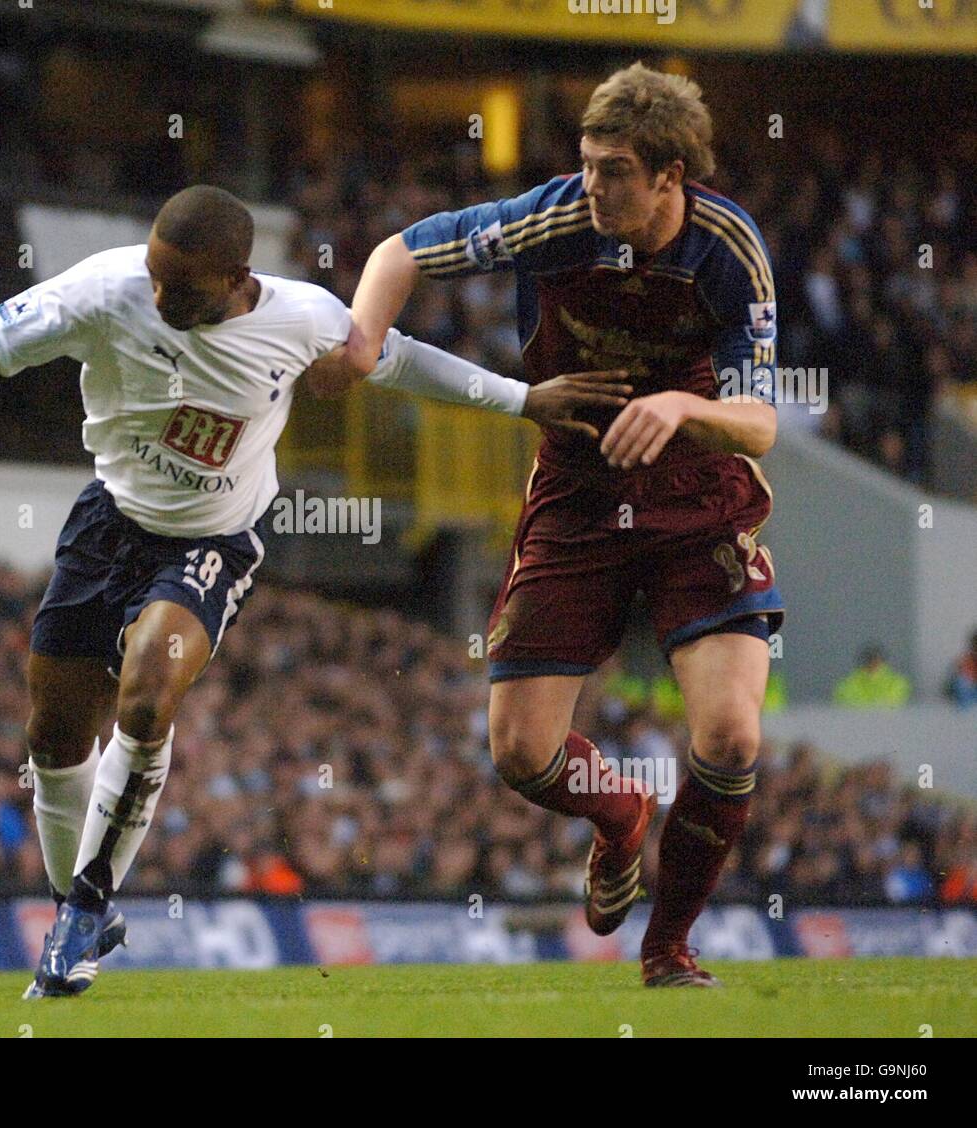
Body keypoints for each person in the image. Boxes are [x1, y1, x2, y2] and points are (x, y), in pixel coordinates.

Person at [0, 184, 562, 998]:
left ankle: (82, 910)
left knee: (146, 694)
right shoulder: (110, 290)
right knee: (54, 735)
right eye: (155, 277)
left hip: (214, 540)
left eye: (181, 286)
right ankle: (75, 897)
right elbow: (2, 334)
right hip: (109, 522)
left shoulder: (303, 318)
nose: (160, 295)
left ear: (237, 276)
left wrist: (525, 400)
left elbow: (399, 360)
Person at [312, 63, 785, 987]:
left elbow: (764, 420)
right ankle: (619, 820)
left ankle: (668, 949)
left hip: (698, 498)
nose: (593, 186)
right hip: (575, 492)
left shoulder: (729, 249)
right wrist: (365, 339)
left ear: (669, 176)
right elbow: (400, 253)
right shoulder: (555, 218)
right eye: (588, 163)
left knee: (730, 739)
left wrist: (684, 413)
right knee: (520, 754)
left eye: (615, 171)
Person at [832, 645, 912, 708]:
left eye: (876, 659)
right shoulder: (846, 684)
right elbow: (846, 704)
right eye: (869, 659)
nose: (873, 663)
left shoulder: (897, 682)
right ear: (862, 661)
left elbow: (894, 704)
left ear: (883, 661)